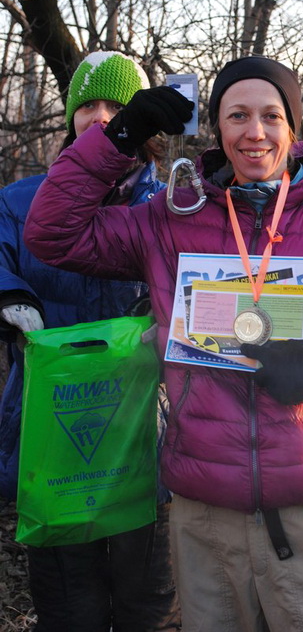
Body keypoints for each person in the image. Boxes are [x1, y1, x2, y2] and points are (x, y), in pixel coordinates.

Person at [24, 55, 303, 632]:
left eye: (270, 115)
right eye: (236, 115)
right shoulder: (170, 217)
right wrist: (121, 138)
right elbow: (52, 234)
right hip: (204, 519)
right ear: (218, 128)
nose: (253, 131)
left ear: (292, 126)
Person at [0, 51, 183, 632]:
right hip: (55, 425)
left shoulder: (172, 207)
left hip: (146, 428)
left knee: (148, 600)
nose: (99, 118)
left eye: (115, 106)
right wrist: (6, 295)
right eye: (87, 106)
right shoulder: (23, 200)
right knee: (67, 601)